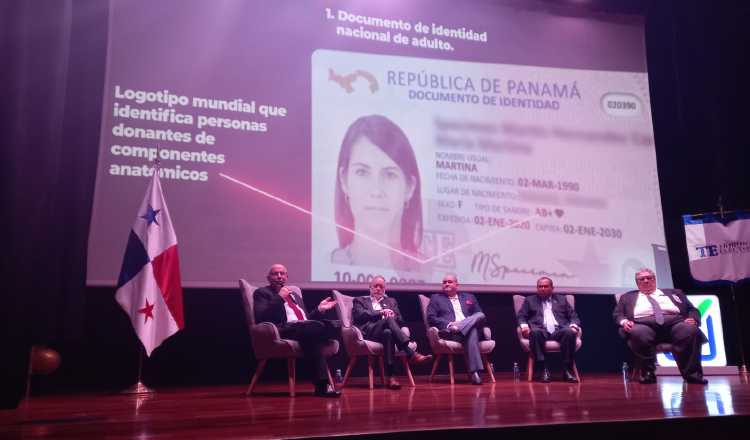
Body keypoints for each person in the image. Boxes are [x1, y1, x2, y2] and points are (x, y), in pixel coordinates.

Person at [331, 114, 423, 272]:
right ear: (344, 180)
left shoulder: (430, 273)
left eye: (390, 174)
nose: (376, 191)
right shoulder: (326, 265)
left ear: (410, 188)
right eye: (362, 172)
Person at [253, 263, 341, 397]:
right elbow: (262, 317)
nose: (279, 276)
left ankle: (322, 386)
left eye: (282, 273)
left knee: (316, 334)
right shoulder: (262, 293)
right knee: (319, 328)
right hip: (284, 329)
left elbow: (306, 318)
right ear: (268, 277)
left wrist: (319, 310)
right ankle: (326, 329)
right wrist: (279, 298)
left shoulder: (295, 296)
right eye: (275, 273)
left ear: (286, 277)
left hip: (304, 329)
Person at [613, 268, 707, 385]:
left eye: (649, 278)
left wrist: (693, 319)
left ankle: (692, 375)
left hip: (675, 323)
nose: (646, 281)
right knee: (637, 332)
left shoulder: (674, 293)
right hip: (643, 324)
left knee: (689, 330)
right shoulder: (627, 297)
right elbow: (618, 314)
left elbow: (692, 309)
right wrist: (624, 321)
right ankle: (648, 373)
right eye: (642, 279)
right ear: (637, 283)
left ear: (655, 279)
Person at [351, 276, 432, 389]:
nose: (378, 289)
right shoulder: (360, 300)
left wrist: (394, 316)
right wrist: (381, 312)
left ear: (385, 290)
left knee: (388, 333)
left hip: (385, 333)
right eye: (376, 286)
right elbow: (359, 315)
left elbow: (400, 319)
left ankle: (391, 377)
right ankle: (410, 352)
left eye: (381, 287)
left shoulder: (391, 301)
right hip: (369, 332)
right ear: (370, 287)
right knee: (388, 320)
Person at [426, 274, 488, 385]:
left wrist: (460, 325)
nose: (446, 284)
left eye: (449, 282)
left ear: (457, 284)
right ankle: (475, 373)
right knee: (472, 331)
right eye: (444, 282)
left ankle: (461, 327)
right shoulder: (436, 298)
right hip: (452, 333)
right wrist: (449, 324)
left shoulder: (469, 297)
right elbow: (431, 318)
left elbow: (480, 315)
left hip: (458, 329)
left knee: (480, 315)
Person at [517, 277, 581, 383]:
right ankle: (543, 370)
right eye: (540, 286)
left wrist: (574, 326)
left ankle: (567, 370)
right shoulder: (530, 300)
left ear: (552, 288)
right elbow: (521, 316)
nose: (542, 289)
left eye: (545, 286)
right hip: (540, 329)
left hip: (559, 329)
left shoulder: (562, 299)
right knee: (535, 332)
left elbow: (573, 316)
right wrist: (524, 326)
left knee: (569, 332)